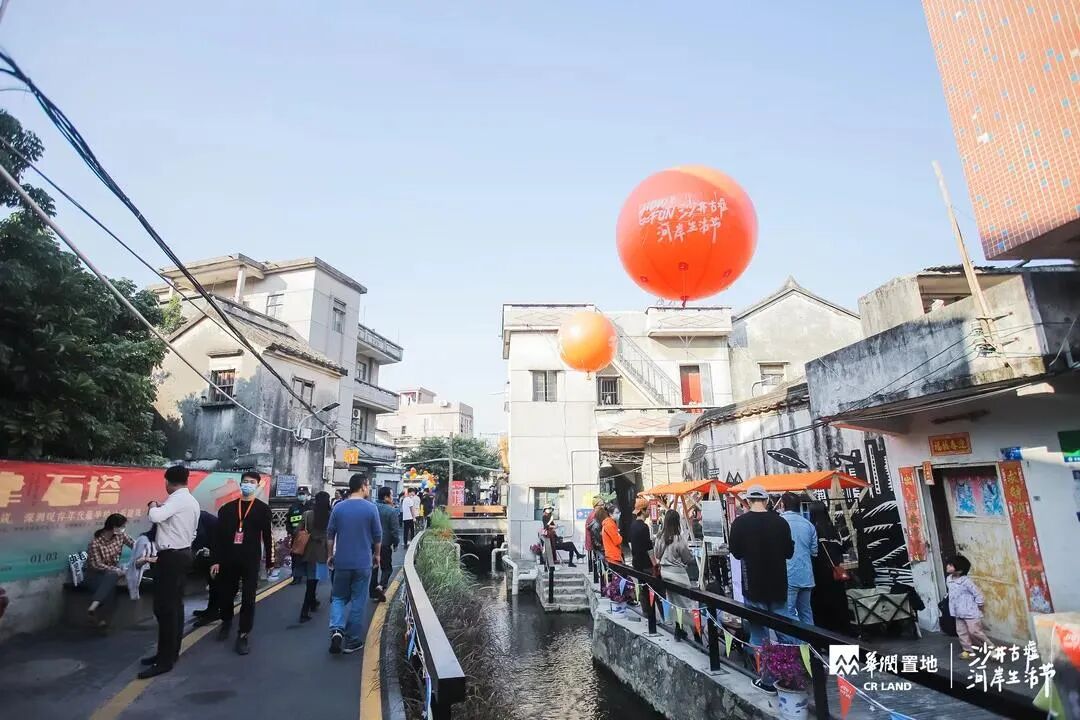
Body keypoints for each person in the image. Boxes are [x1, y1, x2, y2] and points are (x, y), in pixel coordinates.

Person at [728, 484, 794, 695]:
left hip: (753, 585)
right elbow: (789, 552)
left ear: (748, 501)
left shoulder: (740, 523)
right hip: (779, 584)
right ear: (766, 500)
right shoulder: (780, 522)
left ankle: (767, 680)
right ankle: (789, 678)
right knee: (785, 633)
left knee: (759, 635)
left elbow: (736, 553)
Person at [139, 465, 200, 679]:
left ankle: (164, 660)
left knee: (165, 609)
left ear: (167, 481)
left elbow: (156, 517)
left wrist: (152, 505)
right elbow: (192, 532)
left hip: (172, 557)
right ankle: (169, 653)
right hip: (182, 554)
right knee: (175, 607)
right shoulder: (191, 501)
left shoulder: (177, 499)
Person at [210, 471, 273, 655]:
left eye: (252, 482)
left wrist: (270, 561)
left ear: (257, 485)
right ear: (240, 484)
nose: (248, 484)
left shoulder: (263, 510)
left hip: (250, 560)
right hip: (228, 559)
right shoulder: (227, 509)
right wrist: (215, 560)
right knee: (226, 594)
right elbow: (218, 538)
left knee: (248, 598)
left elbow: (268, 537)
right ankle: (226, 621)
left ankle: (243, 633)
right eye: (245, 481)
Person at [327, 473, 382, 655]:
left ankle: (336, 630)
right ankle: (352, 640)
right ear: (363, 486)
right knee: (358, 600)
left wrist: (330, 555)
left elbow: (330, 534)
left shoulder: (338, 507)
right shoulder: (371, 508)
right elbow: (377, 536)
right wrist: (377, 555)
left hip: (342, 561)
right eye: (368, 485)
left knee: (338, 597)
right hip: (363, 562)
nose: (369, 488)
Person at [808, 501, 851, 634]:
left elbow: (813, 552)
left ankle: (826, 636)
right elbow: (842, 548)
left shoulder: (812, 530)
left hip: (819, 574)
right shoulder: (833, 529)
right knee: (839, 603)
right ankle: (844, 634)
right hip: (835, 573)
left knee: (822, 607)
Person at [653, 509, 697, 638]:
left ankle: (679, 629)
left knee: (673, 602)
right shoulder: (678, 538)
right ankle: (697, 634)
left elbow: (656, 555)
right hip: (678, 574)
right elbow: (686, 558)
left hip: (665, 573)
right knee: (687, 604)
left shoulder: (659, 537)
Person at [85, 513, 134, 627]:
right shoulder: (95, 543)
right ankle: (103, 620)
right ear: (114, 527)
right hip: (95, 574)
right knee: (111, 581)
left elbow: (134, 545)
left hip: (110, 574)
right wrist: (116, 570)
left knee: (111, 579)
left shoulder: (120, 536)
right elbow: (96, 565)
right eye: (122, 526)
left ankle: (94, 608)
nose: (123, 529)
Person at [779, 492, 818, 627]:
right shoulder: (809, 525)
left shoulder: (779, 523)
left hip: (787, 575)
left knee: (788, 613)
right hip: (806, 574)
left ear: (782, 505)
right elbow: (814, 551)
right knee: (806, 612)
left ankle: (795, 640)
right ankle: (811, 639)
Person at [947, 554, 992, 659]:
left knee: (975, 632)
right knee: (961, 632)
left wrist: (980, 604)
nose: (948, 566)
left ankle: (992, 648)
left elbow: (977, 593)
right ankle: (968, 651)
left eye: (951, 565)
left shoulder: (966, 581)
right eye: (948, 564)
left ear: (960, 570)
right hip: (957, 612)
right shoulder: (949, 579)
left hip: (970, 612)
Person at [299, 491, 332, 622]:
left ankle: (311, 603)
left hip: (309, 550)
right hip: (323, 551)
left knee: (311, 580)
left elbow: (298, 530)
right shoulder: (330, 515)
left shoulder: (307, 514)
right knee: (314, 581)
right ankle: (305, 610)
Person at [369, 486, 400, 602]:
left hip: (371, 542)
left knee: (374, 567)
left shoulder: (372, 508)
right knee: (387, 568)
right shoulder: (391, 511)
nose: (392, 498)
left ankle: (373, 593)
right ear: (386, 497)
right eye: (391, 495)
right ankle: (381, 586)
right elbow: (395, 530)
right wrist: (396, 543)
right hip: (385, 544)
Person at [191, 509, 220, 622]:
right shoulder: (199, 515)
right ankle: (211, 610)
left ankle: (213, 613)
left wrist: (193, 550)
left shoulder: (197, 517)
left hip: (218, 550)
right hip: (213, 548)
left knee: (215, 581)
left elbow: (201, 536)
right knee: (212, 582)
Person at [126, 503, 159, 600]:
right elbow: (136, 564)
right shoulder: (144, 540)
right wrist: (148, 559)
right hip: (148, 571)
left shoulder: (169, 539)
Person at [286, 489, 312, 585]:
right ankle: (296, 576)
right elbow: (288, 521)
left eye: (303, 494)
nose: (301, 496)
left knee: (307, 556)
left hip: (308, 536)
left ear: (307, 495)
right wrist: (290, 532)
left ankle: (308, 575)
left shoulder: (311, 507)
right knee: (296, 556)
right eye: (300, 494)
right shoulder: (293, 506)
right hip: (296, 536)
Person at [628, 497, 657, 574]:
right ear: (642, 511)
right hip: (646, 565)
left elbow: (630, 543)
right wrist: (655, 564)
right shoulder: (644, 527)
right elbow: (649, 548)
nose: (650, 511)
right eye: (648, 509)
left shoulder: (632, 525)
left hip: (636, 563)